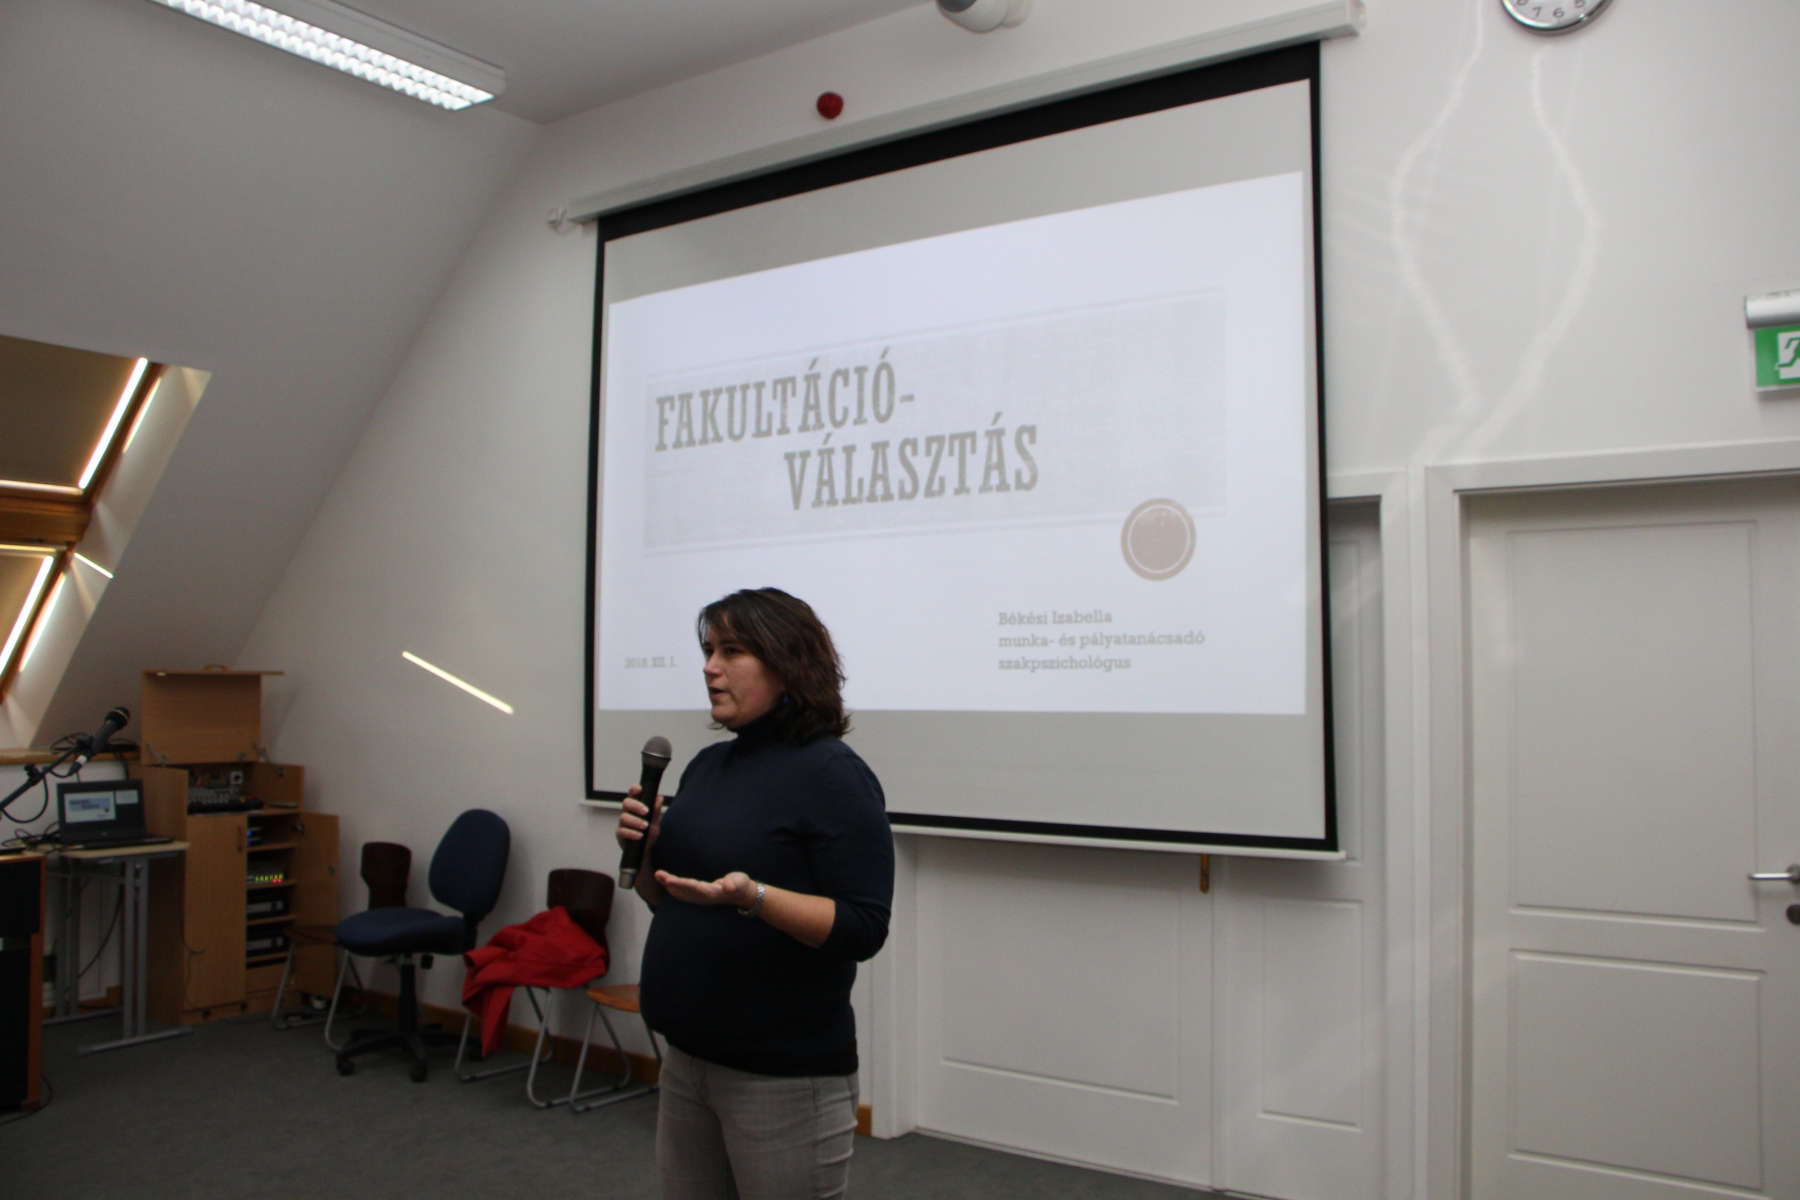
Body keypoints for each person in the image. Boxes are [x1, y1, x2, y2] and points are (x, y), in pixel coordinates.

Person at [616, 587, 895, 1200]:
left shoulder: (832, 773)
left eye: (732, 651)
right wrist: (647, 852)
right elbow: (671, 902)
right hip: (687, 1060)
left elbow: (863, 926)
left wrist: (755, 897)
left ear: (788, 664)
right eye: (708, 650)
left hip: (782, 1078)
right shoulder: (707, 767)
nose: (710, 668)